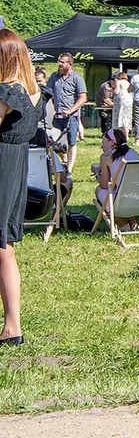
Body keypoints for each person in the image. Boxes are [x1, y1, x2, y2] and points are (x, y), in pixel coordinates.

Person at [0, 29, 43, 345]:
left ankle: (13, 327)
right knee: (5, 248)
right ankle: (12, 326)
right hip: (16, 168)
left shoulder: (7, 92)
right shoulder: (34, 92)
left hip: (2, 166)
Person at [45, 52, 87, 173]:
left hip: (71, 117)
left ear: (70, 64)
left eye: (63, 62)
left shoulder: (77, 78)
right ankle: (61, 162)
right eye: (59, 61)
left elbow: (83, 98)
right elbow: (47, 93)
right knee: (52, 139)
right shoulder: (54, 76)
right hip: (56, 117)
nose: (60, 64)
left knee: (72, 142)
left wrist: (70, 110)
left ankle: (69, 169)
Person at [93, 128, 139, 231]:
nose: (101, 146)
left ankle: (123, 224)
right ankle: (133, 222)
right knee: (124, 188)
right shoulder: (133, 153)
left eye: (103, 142)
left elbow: (104, 185)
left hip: (122, 200)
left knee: (99, 190)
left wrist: (97, 172)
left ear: (111, 142)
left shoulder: (106, 157)